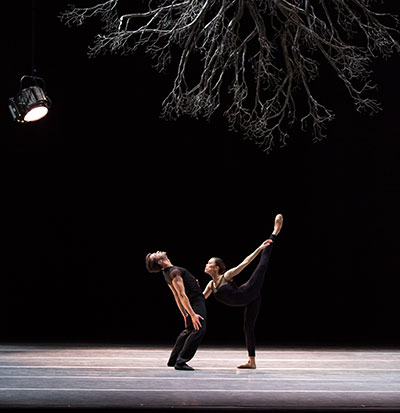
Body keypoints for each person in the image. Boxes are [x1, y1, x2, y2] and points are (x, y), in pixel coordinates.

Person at [203, 214, 283, 369]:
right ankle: (251, 362)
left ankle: (275, 232)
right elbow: (200, 299)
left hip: (249, 290)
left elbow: (245, 262)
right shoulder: (210, 286)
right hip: (252, 300)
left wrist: (259, 248)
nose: (206, 265)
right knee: (248, 328)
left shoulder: (226, 276)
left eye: (209, 263)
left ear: (217, 268)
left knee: (262, 265)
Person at [145, 251, 206, 371]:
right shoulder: (174, 272)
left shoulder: (168, 272)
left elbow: (176, 295)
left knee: (189, 330)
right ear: (160, 261)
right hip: (194, 302)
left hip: (190, 304)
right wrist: (192, 314)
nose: (158, 251)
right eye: (155, 255)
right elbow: (181, 294)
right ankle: (181, 361)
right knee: (199, 329)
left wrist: (184, 312)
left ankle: (174, 359)